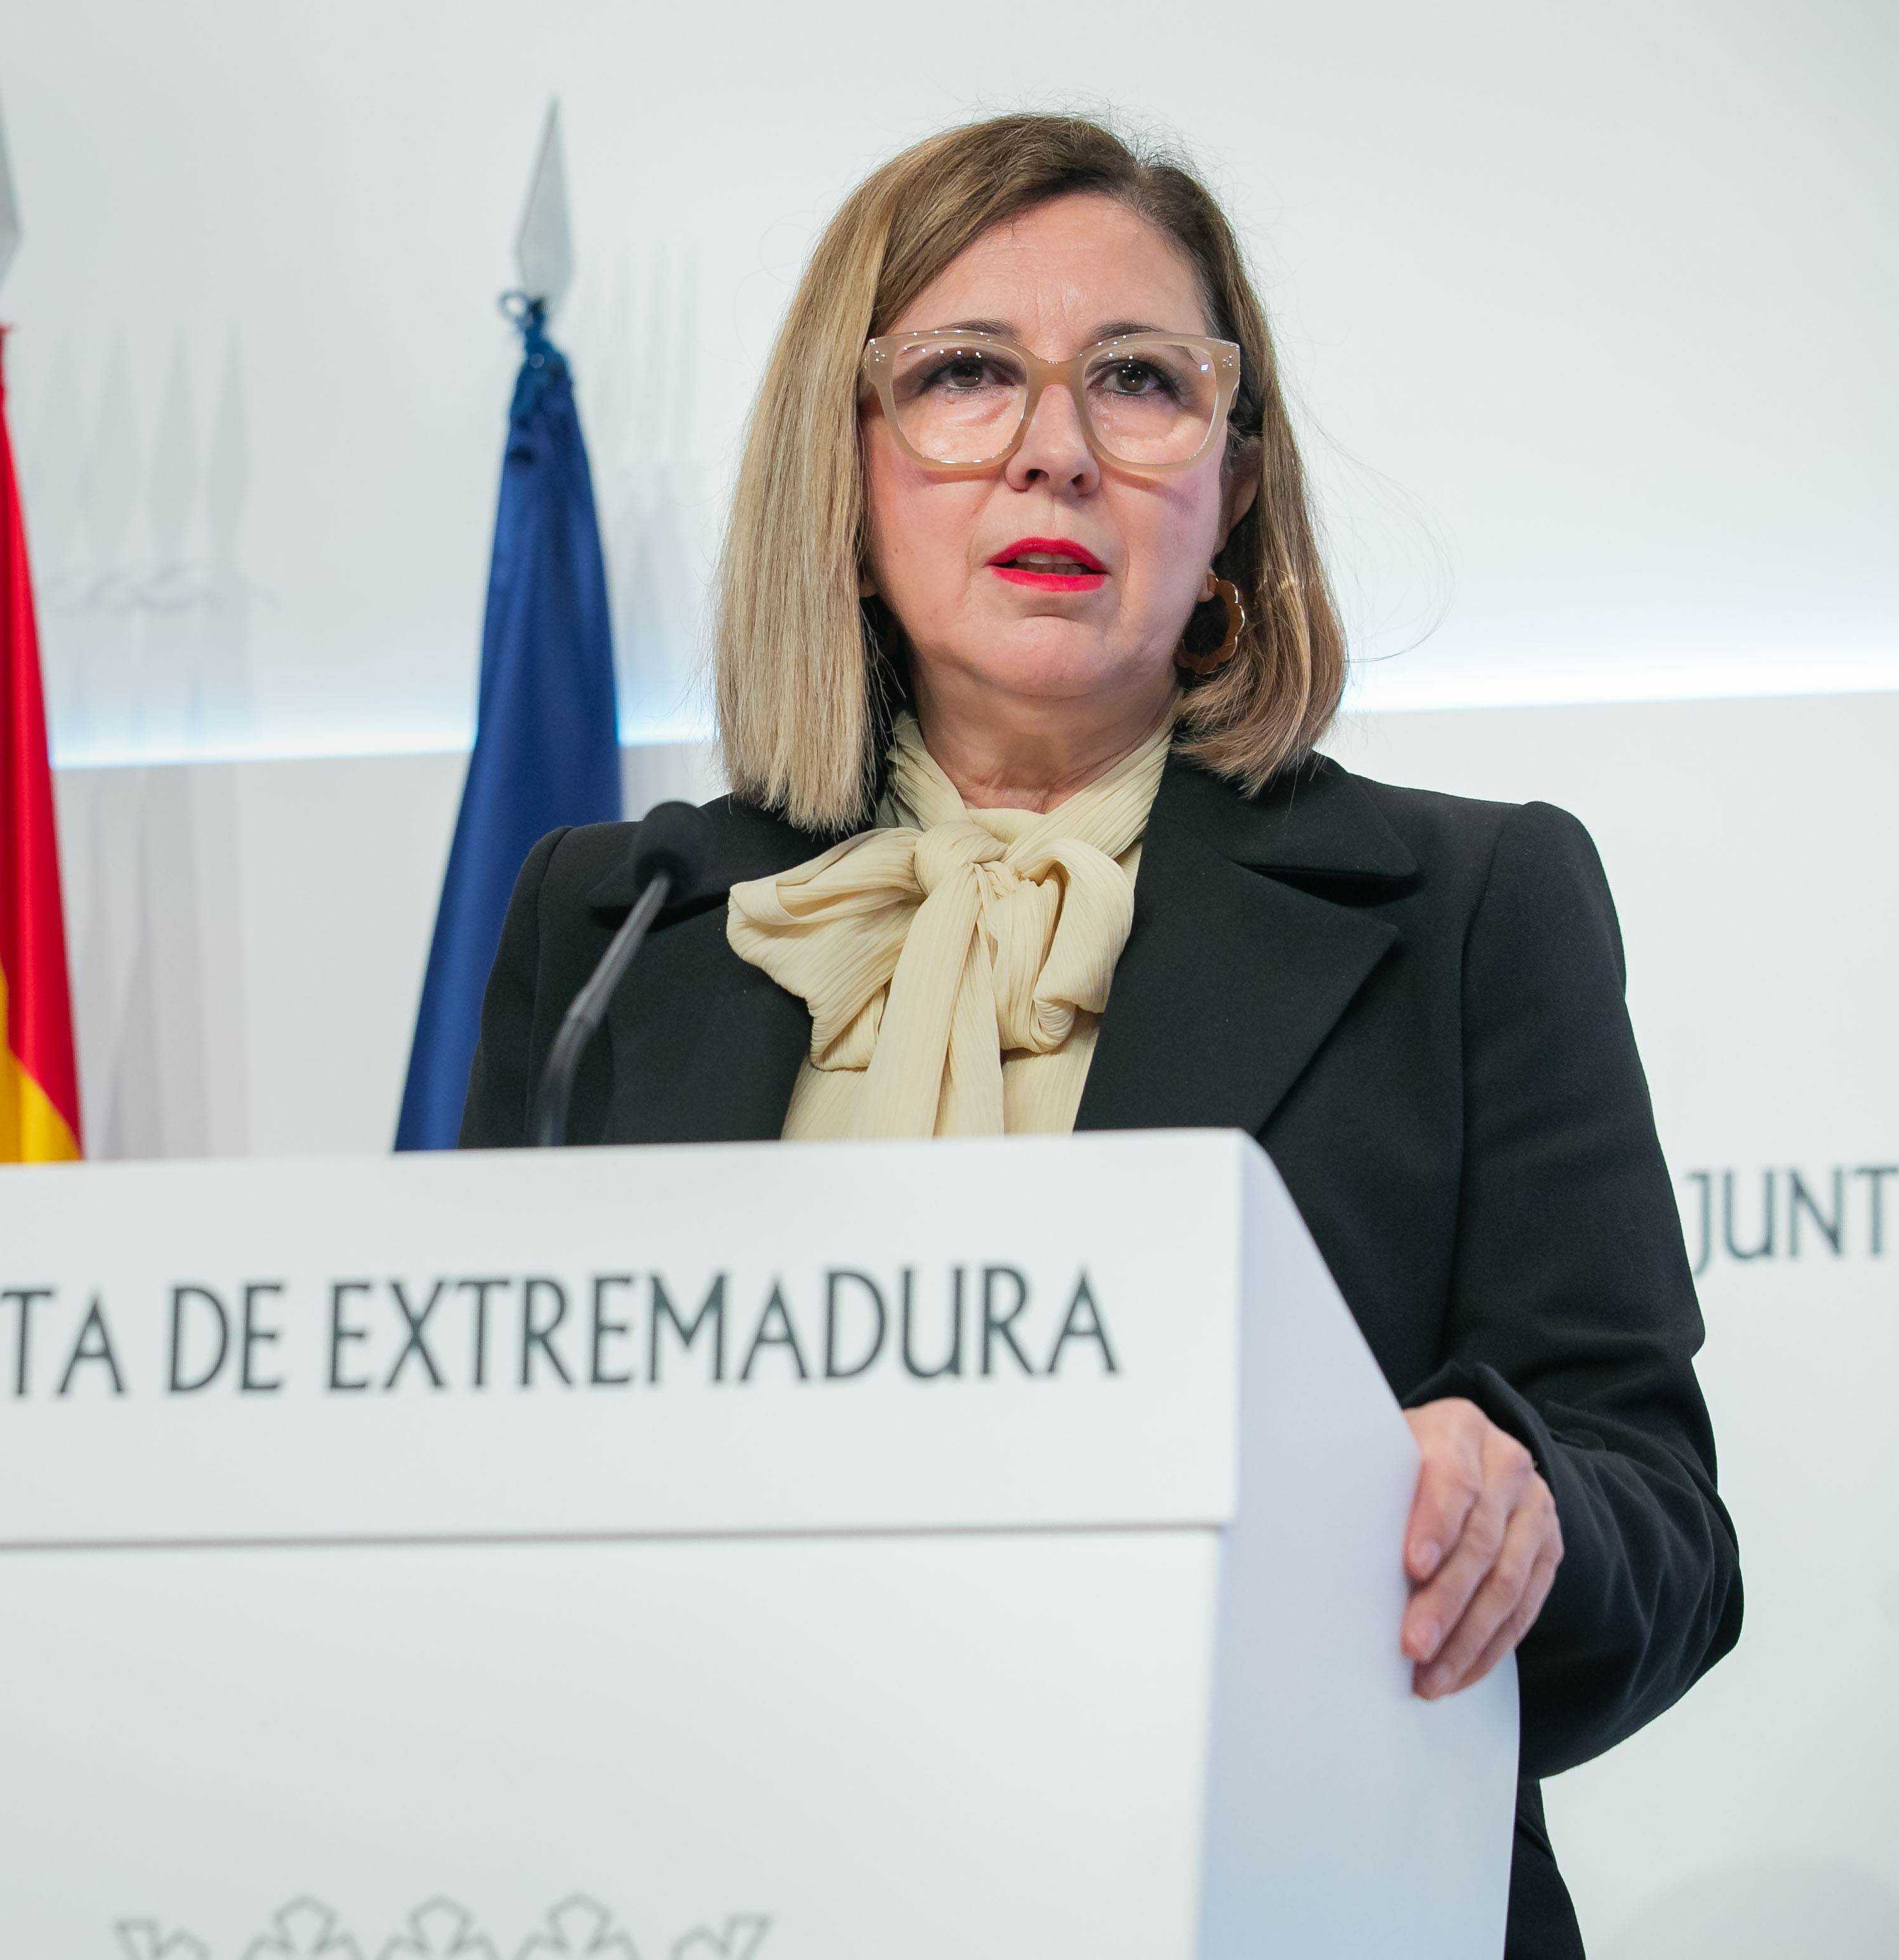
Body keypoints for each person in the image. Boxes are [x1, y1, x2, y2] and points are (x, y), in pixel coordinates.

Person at [460, 114, 1740, 1957]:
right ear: (845, 468)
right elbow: (478, 1492)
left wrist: (1525, 1511)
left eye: (1139, 381)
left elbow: (1667, 1537)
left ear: (1231, 486)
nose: (1053, 450)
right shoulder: (614, 924)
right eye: (965, 374)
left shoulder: (1472, 907)